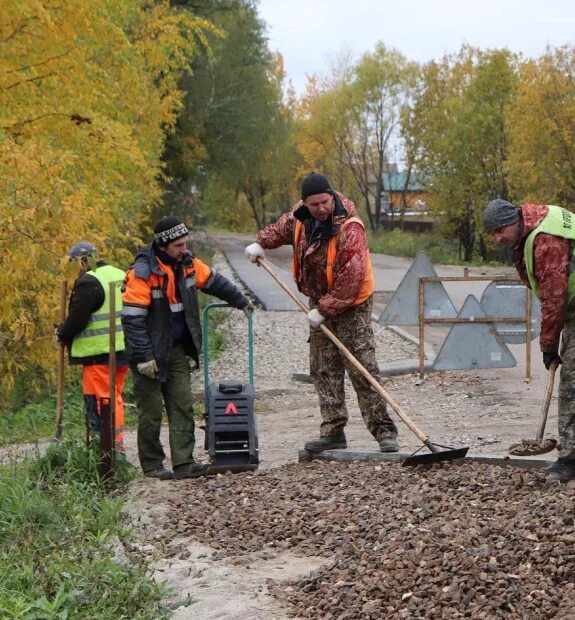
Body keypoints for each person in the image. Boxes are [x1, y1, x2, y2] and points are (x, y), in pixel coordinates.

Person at [245, 172, 399, 453]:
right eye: (315, 204)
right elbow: (279, 230)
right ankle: (332, 431)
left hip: (351, 304)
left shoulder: (350, 227)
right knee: (323, 368)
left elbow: (350, 280)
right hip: (319, 302)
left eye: (325, 202)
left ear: (332, 197)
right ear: (305, 203)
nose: (321, 209)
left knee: (362, 367)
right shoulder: (300, 218)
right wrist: (260, 243)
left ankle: (384, 432)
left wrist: (324, 310)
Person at [482, 199, 575, 482]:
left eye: (499, 231)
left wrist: (548, 346)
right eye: (492, 233)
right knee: (573, 379)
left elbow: (554, 298)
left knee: (574, 381)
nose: (497, 239)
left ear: (513, 221)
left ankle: (573, 458)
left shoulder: (547, 240)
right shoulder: (529, 227)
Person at [121, 217, 251, 480]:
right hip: (149, 354)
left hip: (177, 350)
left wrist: (240, 300)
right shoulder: (142, 274)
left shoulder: (189, 264)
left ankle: (184, 463)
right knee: (152, 411)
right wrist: (145, 357)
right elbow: (133, 321)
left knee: (182, 405)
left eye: (185, 243)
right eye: (178, 245)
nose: (184, 248)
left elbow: (215, 282)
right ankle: (153, 466)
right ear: (163, 245)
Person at [56, 242, 128, 452]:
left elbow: (78, 319)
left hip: (99, 355)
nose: (75, 270)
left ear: (83, 262)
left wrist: (62, 332)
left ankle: (109, 451)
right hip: (122, 352)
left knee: (102, 403)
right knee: (114, 399)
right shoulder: (119, 274)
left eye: (75, 264)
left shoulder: (90, 281)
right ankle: (113, 448)